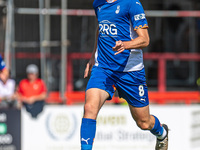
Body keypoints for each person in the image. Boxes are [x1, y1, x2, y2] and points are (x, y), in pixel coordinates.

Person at [80, 0, 168, 150]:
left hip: (130, 72)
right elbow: (100, 28)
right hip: (104, 68)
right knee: (89, 107)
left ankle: (162, 133)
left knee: (144, 122)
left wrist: (126, 44)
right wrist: (93, 55)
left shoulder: (131, 4)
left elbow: (145, 39)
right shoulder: (98, 4)